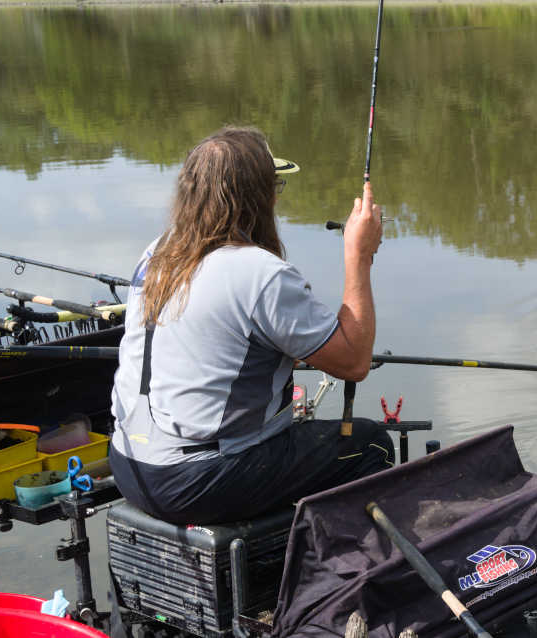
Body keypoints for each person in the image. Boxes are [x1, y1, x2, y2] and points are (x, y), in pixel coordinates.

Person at [108, 126, 394, 526]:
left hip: (127, 464)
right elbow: (354, 361)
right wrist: (358, 253)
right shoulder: (260, 274)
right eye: (274, 184)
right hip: (194, 480)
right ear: (258, 196)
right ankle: (338, 579)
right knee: (369, 446)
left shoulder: (159, 250)